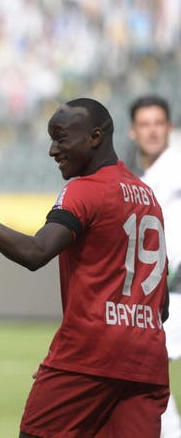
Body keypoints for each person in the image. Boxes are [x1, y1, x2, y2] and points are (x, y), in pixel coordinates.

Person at [0, 98, 169, 437]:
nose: (51, 150)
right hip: (146, 362)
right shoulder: (147, 196)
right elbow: (160, 305)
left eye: (61, 138)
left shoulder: (84, 191)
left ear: (94, 137)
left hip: (90, 356)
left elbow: (36, 252)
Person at [128, 95, 181, 438]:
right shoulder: (138, 180)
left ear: (170, 129)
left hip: (176, 289)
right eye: (145, 124)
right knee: (149, 380)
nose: (152, 132)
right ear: (133, 132)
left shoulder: (176, 166)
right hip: (159, 296)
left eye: (158, 124)